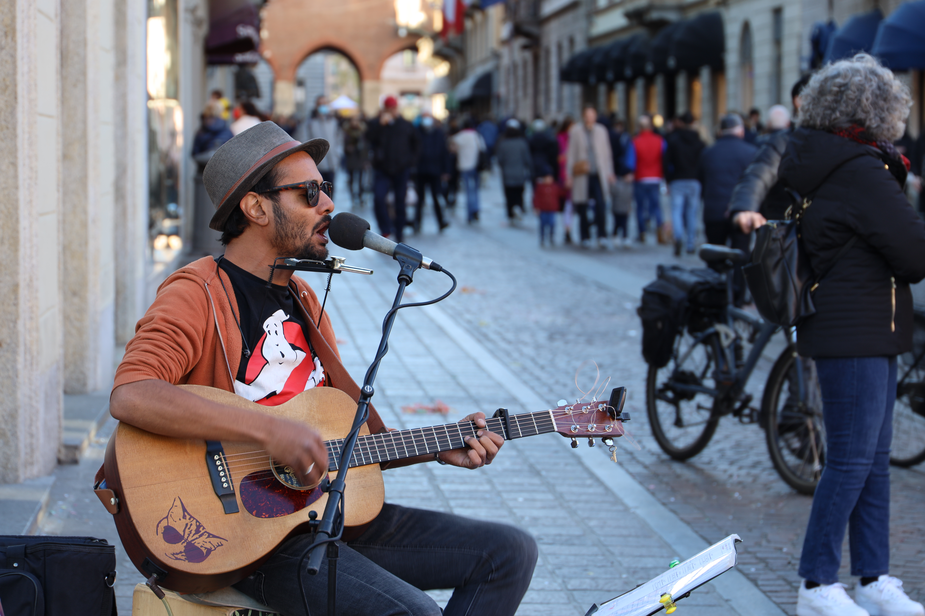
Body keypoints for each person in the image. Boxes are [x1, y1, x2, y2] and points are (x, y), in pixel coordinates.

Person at [108, 121, 538, 616]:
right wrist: (270, 432)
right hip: (250, 533)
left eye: (326, 189)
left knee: (508, 553)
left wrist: (440, 448)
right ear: (256, 207)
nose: (329, 206)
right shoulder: (197, 292)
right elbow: (133, 393)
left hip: (321, 513)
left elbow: (340, 440)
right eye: (310, 192)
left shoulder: (305, 298)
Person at [776, 54, 925, 616]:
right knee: (852, 460)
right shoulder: (860, 169)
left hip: (863, 325)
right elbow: (914, 253)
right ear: (874, 111)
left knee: (872, 458)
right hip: (856, 327)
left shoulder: (825, 159)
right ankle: (816, 583)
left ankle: (873, 577)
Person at [730, 76, 812, 234]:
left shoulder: (837, 139)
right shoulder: (784, 142)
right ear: (799, 101)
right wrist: (745, 207)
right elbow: (758, 173)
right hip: (788, 233)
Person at [698, 114, 757, 304]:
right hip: (740, 212)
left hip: (714, 211)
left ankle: (714, 296)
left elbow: (702, 180)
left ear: (720, 131)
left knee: (714, 258)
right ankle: (738, 297)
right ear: (740, 131)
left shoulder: (708, 152)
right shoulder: (750, 152)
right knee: (741, 254)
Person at [366, 96, 420, 242]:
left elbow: (416, 145)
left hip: (401, 169)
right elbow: (369, 138)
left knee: (400, 202)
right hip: (382, 169)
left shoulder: (406, 125)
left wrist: (410, 162)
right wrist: (380, 125)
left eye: (393, 109)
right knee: (378, 198)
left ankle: (399, 230)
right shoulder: (377, 124)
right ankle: (385, 229)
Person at [566, 106, 614, 248]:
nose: (590, 118)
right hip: (582, 174)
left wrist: (609, 172)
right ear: (583, 116)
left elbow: (607, 153)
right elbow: (571, 154)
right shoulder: (576, 131)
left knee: (601, 205)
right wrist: (569, 175)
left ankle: (601, 234)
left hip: (598, 173)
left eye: (592, 115)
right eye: (588, 115)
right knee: (582, 206)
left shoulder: (601, 131)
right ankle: (584, 235)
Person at [664, 111, 705, 255]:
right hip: (694, 180)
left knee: (676, 211)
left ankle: (678, 237)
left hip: (677, 179)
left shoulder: (674, 140)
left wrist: (668, 180)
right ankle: (690, 242)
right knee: (692, 213)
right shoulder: (699, 142)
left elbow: (666, 161)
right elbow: (703, 163)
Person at [632, 114, 668, 244]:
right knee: (656, 206)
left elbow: (631, 161)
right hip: (655, 177)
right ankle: (659, 231)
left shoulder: (636, 141)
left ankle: (642, 232)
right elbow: (665, 158)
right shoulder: (659, 141)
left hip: (640, 177)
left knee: (640, 207)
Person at [414, 112, 450, 232]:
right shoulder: (417, 132)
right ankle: (416, 223)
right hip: (420, 171)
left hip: (435, 171)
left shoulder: (439, 134)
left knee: (436, 197)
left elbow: (444, 153)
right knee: (419, 199)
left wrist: (445, 170)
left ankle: (441, 222)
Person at [495, 119, 533, 223]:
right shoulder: (522, 143)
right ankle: (519, 207)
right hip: (520, 173)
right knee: (519, 193)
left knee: (509, 194)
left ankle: (510, 213)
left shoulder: (503, 143)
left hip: (507, 174)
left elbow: (500, 160)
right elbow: (527, 159)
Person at [449, 117, 485, 223]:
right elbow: (483, 149)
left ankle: (470, 213)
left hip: (464, 166)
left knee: (469, 190)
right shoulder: (476, 135)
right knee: (475, 190)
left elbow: (452, 147)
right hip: (476, 166)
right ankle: (476, 210)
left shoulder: (459, 136)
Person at [608, 117, 635, 248]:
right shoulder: (624, 140)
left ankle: (620, 235)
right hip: (620, 179)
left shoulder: (625, 140)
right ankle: (621, 235)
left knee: (621, 218)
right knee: (621, 217)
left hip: (621, 179)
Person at [305, 95, 343, 184]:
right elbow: (304, 140)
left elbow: (339, 139)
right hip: (317, 165)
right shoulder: (309, 122)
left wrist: (338, 154)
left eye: (324, 103)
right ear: (316, 105)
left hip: (332, 163)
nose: (322, 106)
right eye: (320, 104)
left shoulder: (333, 121)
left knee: (331, 191)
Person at [192, 101, 234, 168]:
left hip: (203, 172)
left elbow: (195, 153)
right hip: (222, 172)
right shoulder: (227, 131)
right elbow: (233, 152)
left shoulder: (200, 132)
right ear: (220, 112)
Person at [557, 116, 576, 243]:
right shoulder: (561, 139)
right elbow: (559, 158)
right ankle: (567, 229)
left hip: (575, 174)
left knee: (571, 205)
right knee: (568, 205)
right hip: (565, 174)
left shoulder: (574, 138)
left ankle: (569, 229)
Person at [342, 115, 368, 207]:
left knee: (361, 180)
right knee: (352, 179)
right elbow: (344, 146)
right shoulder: (347, 132)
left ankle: (360, 196)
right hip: (351, 159)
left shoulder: (362, 131)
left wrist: (366, 160)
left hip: (360, 158)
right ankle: (353, 197)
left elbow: (366, 147)